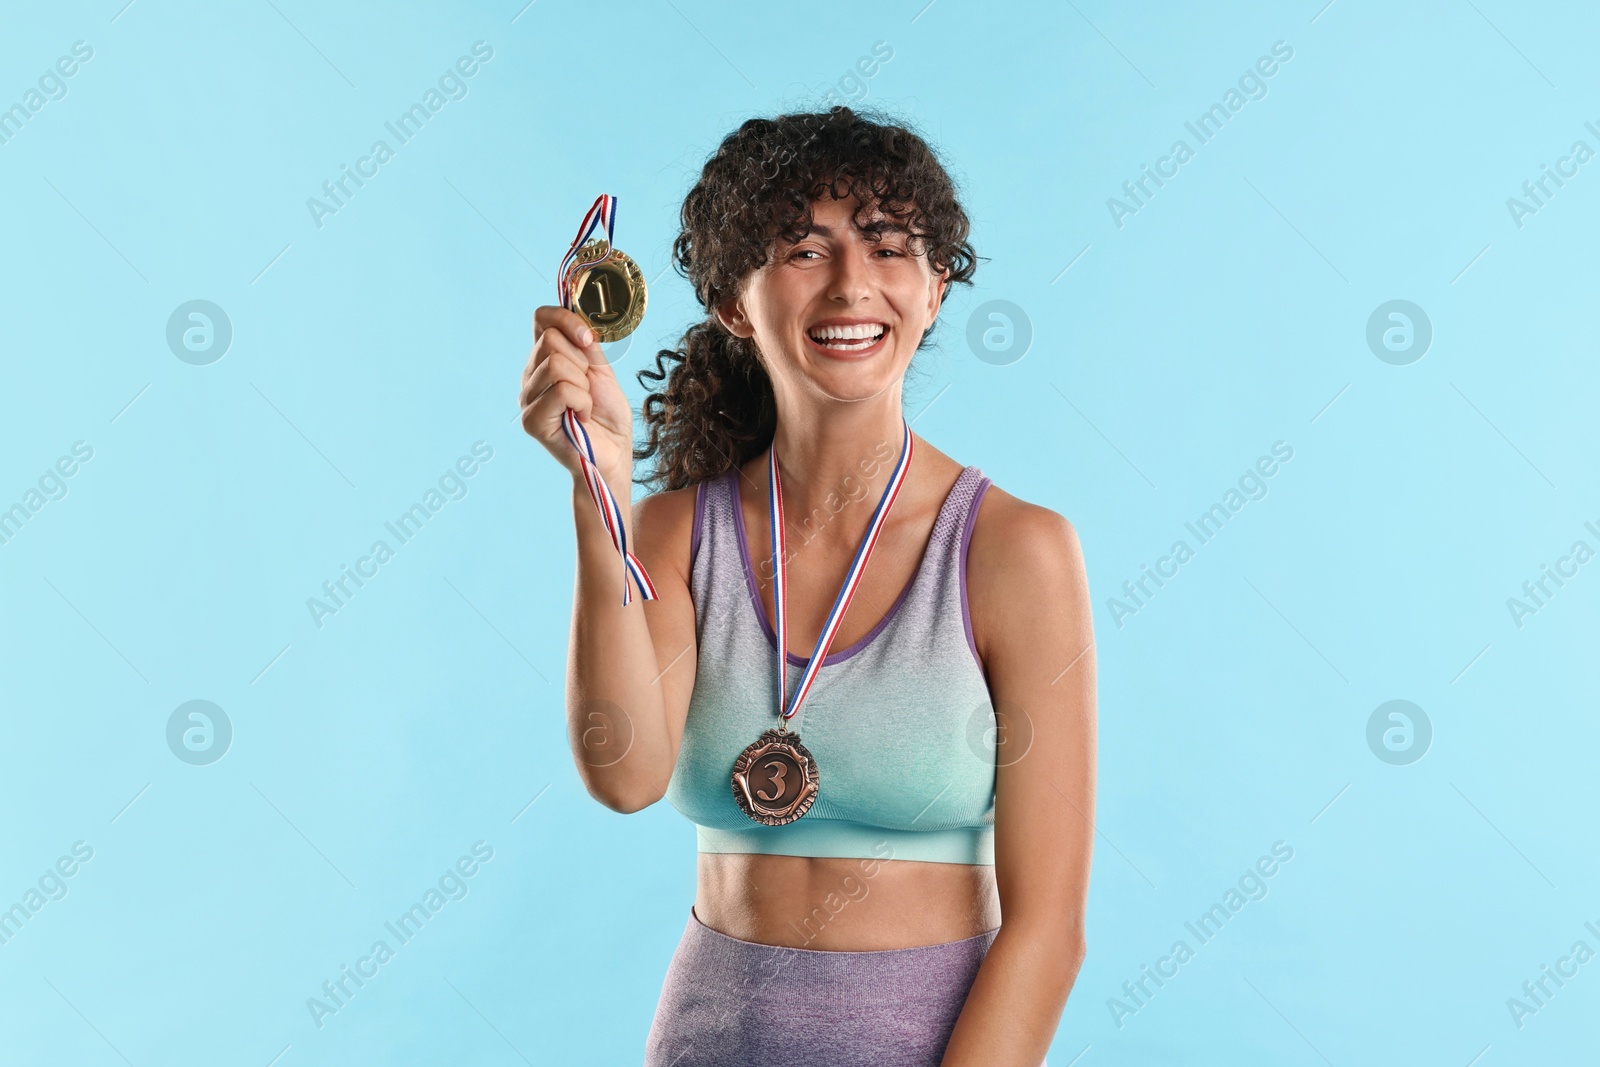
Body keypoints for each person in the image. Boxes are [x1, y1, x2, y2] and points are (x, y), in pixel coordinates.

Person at [520, 106, 1094, 1067]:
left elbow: (1049, 931)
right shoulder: (670, 534)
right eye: (802, 249)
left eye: (887, 247)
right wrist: (600, 499)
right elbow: (625, 775)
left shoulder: (1014, 550)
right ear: (732, 303)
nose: (851, 285)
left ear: (937, 287)